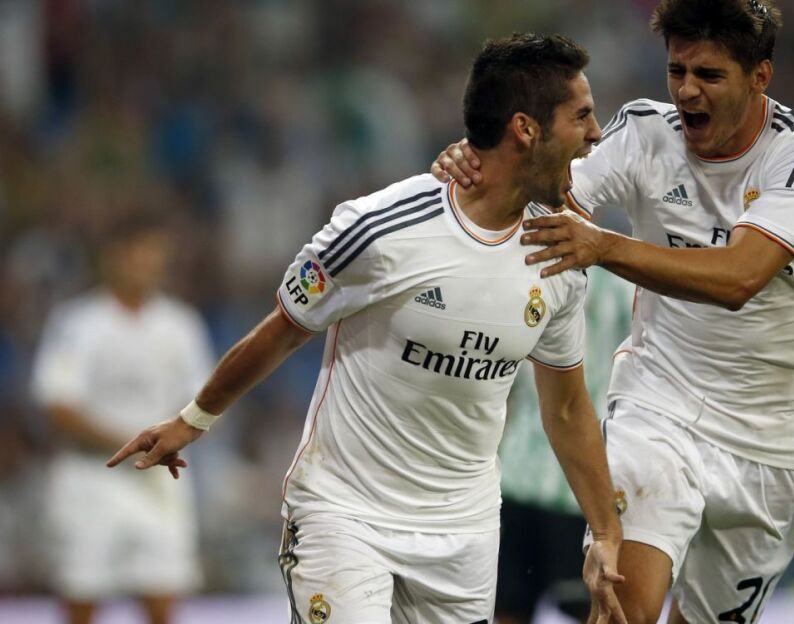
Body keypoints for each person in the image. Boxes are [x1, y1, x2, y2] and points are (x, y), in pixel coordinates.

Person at [108, 33, 627, 624]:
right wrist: (193, 420)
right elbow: (284, 329)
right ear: (525, 129)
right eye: (582, 116)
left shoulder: (557, 255)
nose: (595, 134)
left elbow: (566, 408)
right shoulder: (379, 229)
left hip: (465, 533)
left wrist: (606, 532)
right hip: (345, 514)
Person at [432, 1, 794, 622]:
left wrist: (604, 246)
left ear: (760, 77)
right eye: (677, 70)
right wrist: (481, 168)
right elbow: (546, 200)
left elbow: (741, 276)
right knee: (625, 608)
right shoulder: (643, 134)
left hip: (773, 441)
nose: (687, 90)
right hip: (660, 406)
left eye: (709, 75)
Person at [31, 213, 215, 624]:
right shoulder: (77, 323)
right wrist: (137, 442)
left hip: (159, 485)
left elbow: (203, 405)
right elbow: (58, 405)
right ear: (112, 257)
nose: (146, 264)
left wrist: (169, 441)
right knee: (81, 600)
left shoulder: (181, 326)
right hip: (90, 479)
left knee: (163, 602)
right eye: (137, 253)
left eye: (154, 254)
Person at [497, 266, 633, 624]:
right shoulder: (527, 272)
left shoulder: (622, 286)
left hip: (571, 486)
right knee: (511, 607)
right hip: (536, 480)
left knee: (587, 608)